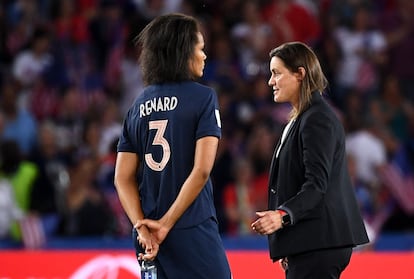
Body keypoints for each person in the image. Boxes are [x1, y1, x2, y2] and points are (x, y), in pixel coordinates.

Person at [114, 13, 232, 279]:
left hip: (148, 236)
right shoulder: (203, 97)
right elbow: (202, 170)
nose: (204, 56)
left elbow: (122, 178)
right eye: (200, 48)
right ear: (183, 52)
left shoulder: (137, 106)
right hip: (190, 227)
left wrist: (141, 228)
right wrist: (165, 224)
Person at [251, 41, 369, 279]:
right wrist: (291, 243)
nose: (270, 82)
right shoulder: (303, 117)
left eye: (276, 73)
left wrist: (282, 216)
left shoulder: (317, 119)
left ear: (300, 74)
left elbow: (317, 185)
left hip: (320, 244)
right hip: (309, 243)